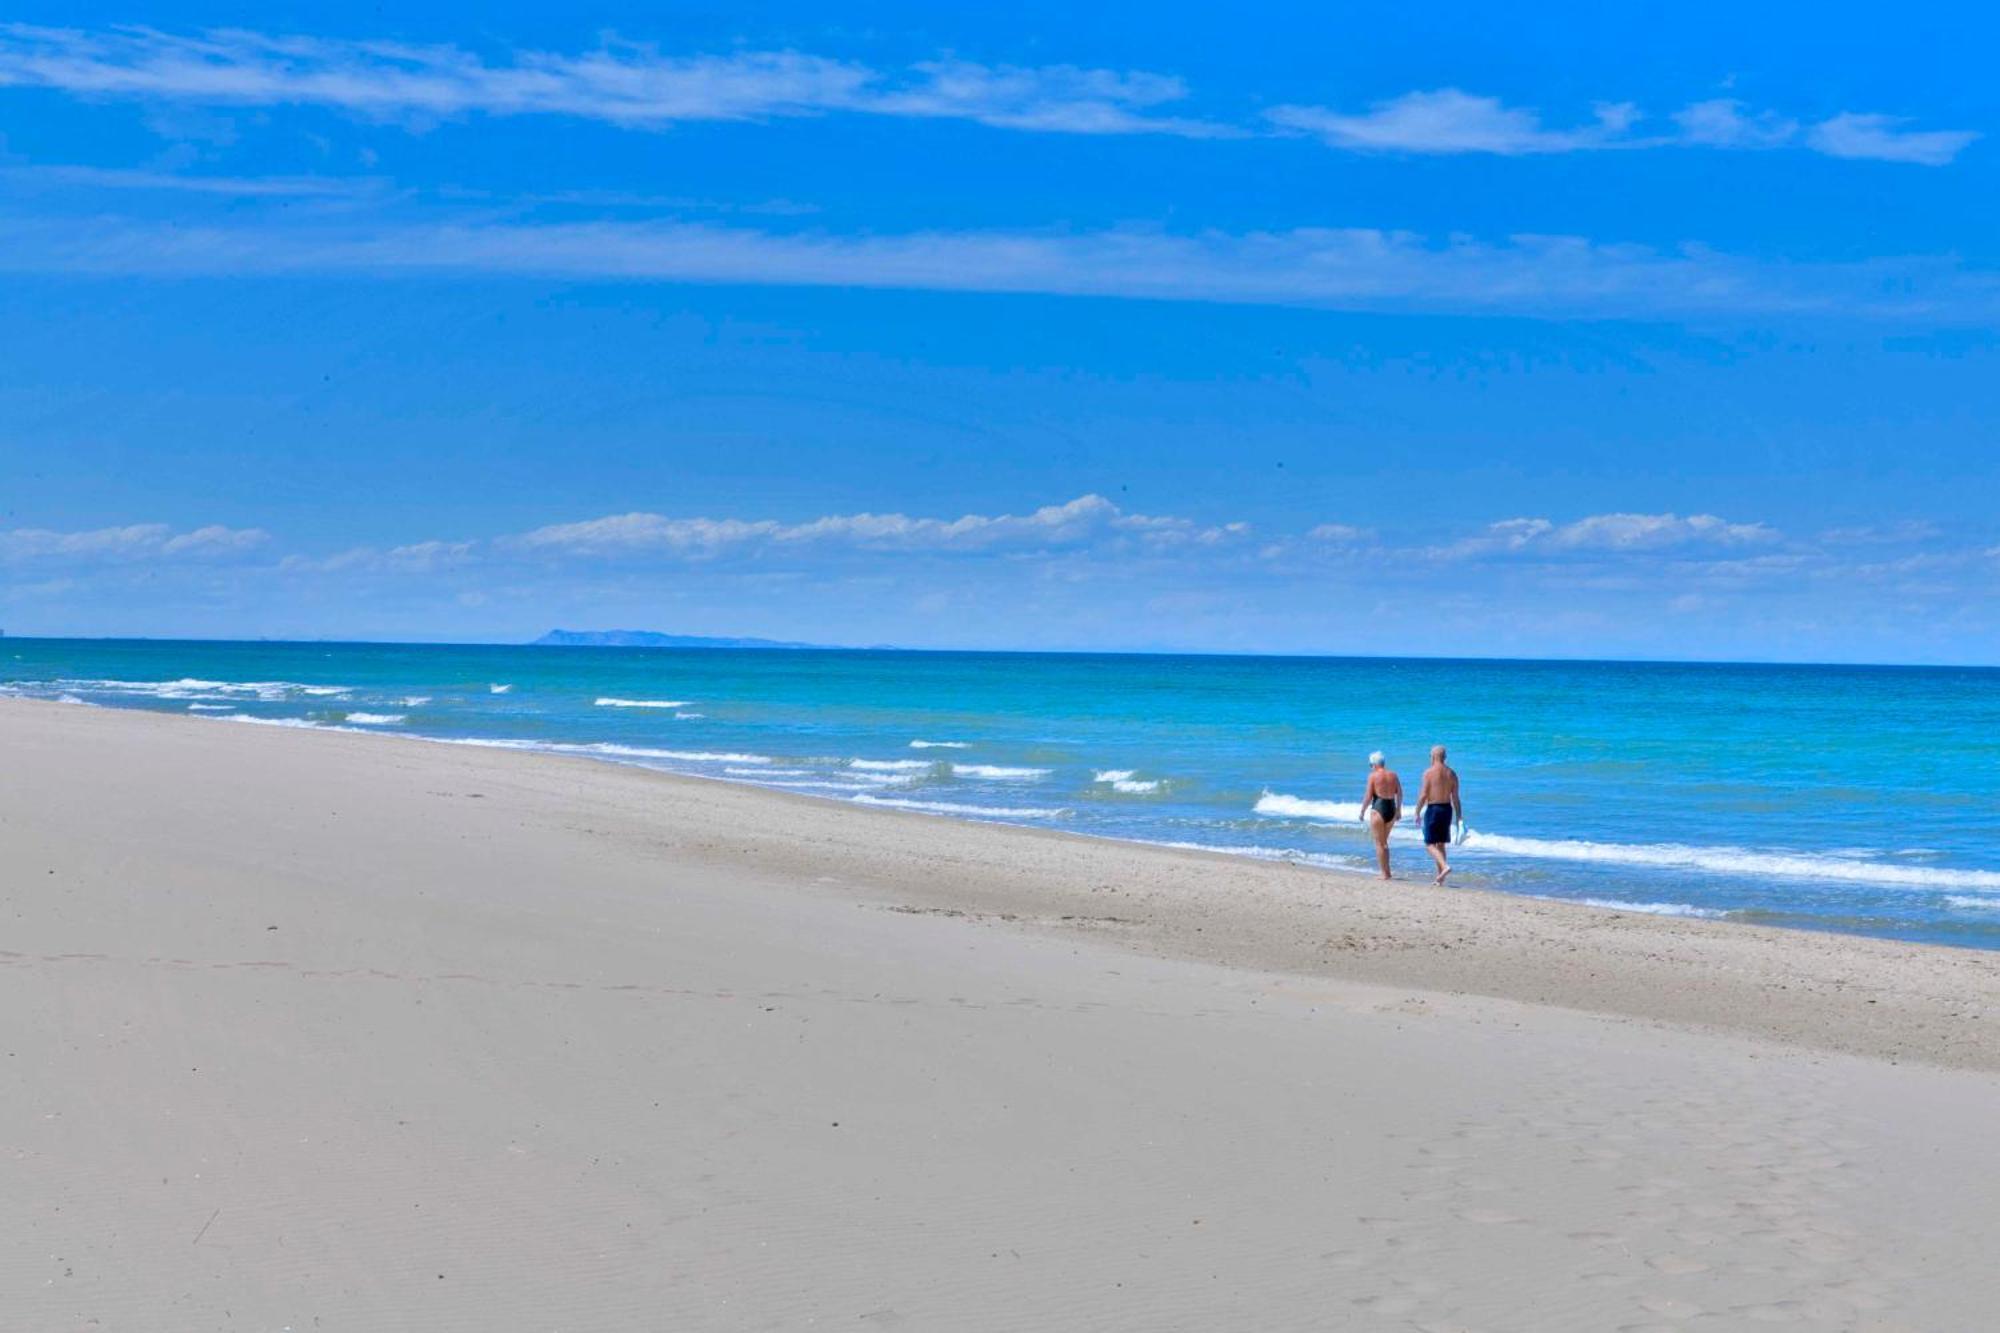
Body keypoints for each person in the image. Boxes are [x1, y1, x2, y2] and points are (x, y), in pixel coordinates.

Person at [1415, 744, 1463, 885]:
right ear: (1444, 757)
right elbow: (1455, 798)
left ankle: (1445, 867)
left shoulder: (1428, 773)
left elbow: (1423, 795)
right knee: (1441, 844)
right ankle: (1441, 878)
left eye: (1430, 756)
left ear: (1434, 756)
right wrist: (1459, 816)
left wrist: (1417, 811)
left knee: (1429, 843)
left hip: (1434, 809)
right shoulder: (1452, 773)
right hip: (1447, 809)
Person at [1357, 751, 1402, 880]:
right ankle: (1387, 872)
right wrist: (1398, 810)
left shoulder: (1373, 776)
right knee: (1384, 843)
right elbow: (1399, 793)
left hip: (1379, 808)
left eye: (1370, 764)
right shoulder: (1393, 775)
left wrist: (1362, 811)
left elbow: (1368, 796)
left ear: (1375, 764)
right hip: (1391, 809)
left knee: (1379, 843)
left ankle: (1384, 873)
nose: (1370, 767)